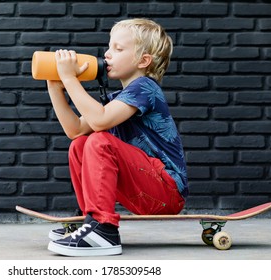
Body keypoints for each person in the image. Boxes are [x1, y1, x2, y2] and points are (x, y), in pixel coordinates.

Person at [46, 18, 188, 257]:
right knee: (81, 144)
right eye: (109, 47)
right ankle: (90, 220)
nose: (107, 54)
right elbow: (75, 131)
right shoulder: (118, 99)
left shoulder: (145, 87)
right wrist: (55, 86)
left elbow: (100, 121)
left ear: (143, 61)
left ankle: (104, 231)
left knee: (100, 140)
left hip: (166, 191)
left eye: (118, 49)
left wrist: (71, 79)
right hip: (144, 187)